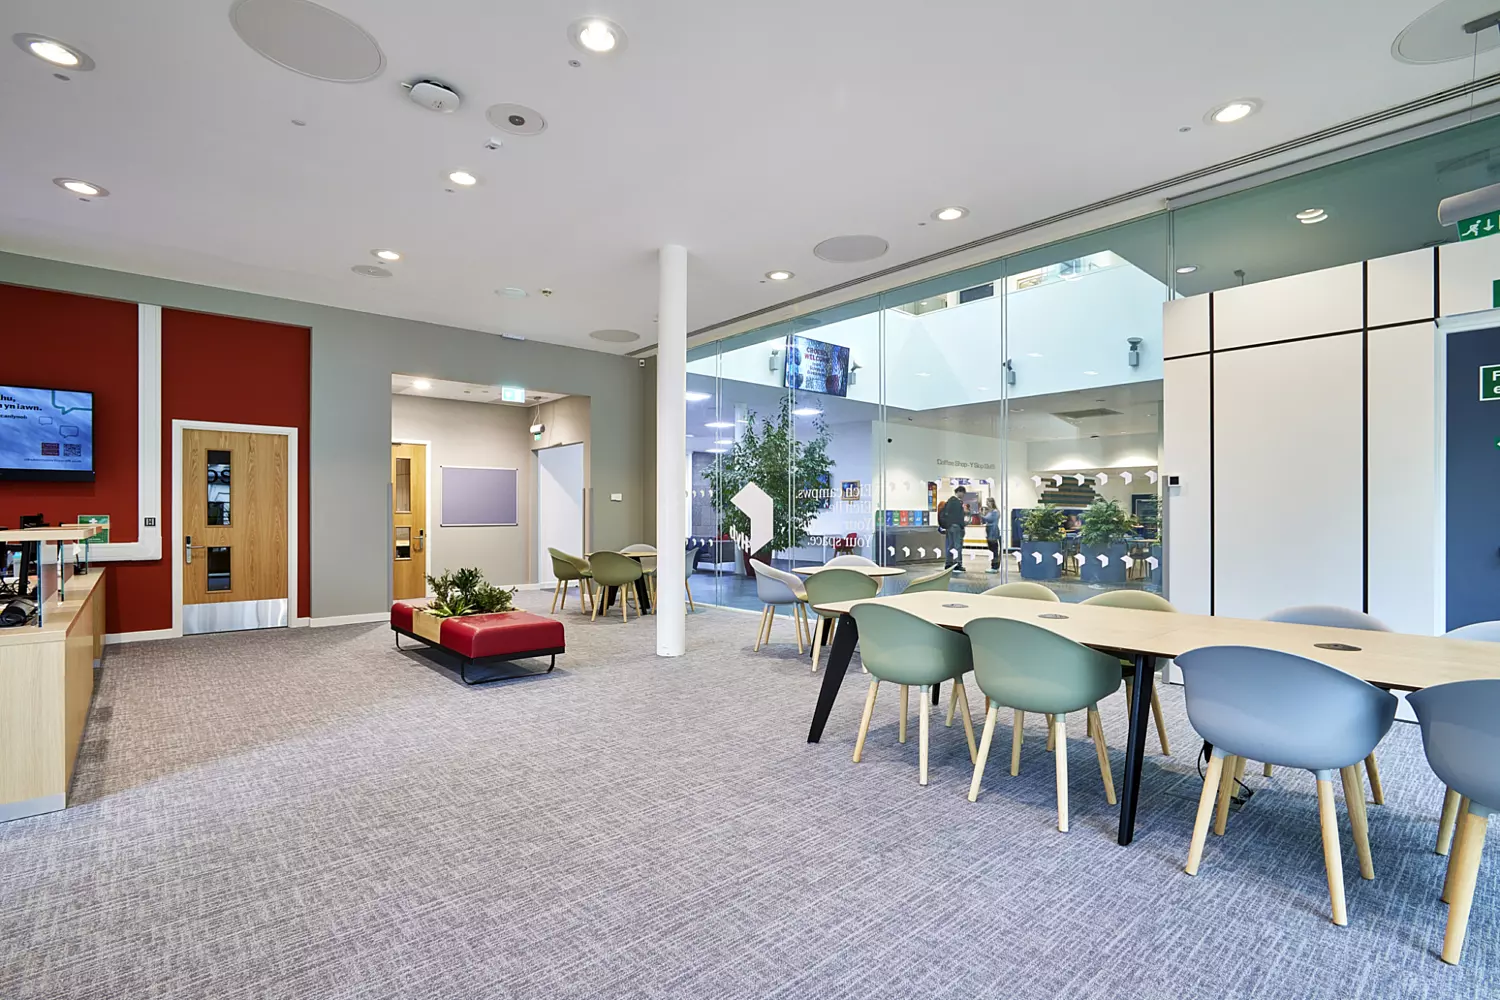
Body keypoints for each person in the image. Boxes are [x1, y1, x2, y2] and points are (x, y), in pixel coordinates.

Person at [938, 486, 967, 573]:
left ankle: (948, 563)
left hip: (949, 527)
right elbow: (959, 517)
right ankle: (958, 564)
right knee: (958, 546)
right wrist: (962, 526)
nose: (963, 495)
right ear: (959, 492)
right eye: (963, 493)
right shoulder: (957, 502)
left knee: (949, 545)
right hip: (956, 526)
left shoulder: (949, 501)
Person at [982, 497, 1001, 573]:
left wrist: (981, 515)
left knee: (994, 549)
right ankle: (994, 564)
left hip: (993, 532)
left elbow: (988, 519)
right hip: (989, 532)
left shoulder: (995, 512)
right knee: (992, 549)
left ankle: (995, 566)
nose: (986, 504)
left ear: (991, 503)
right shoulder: (990, 512)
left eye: (988, 502)